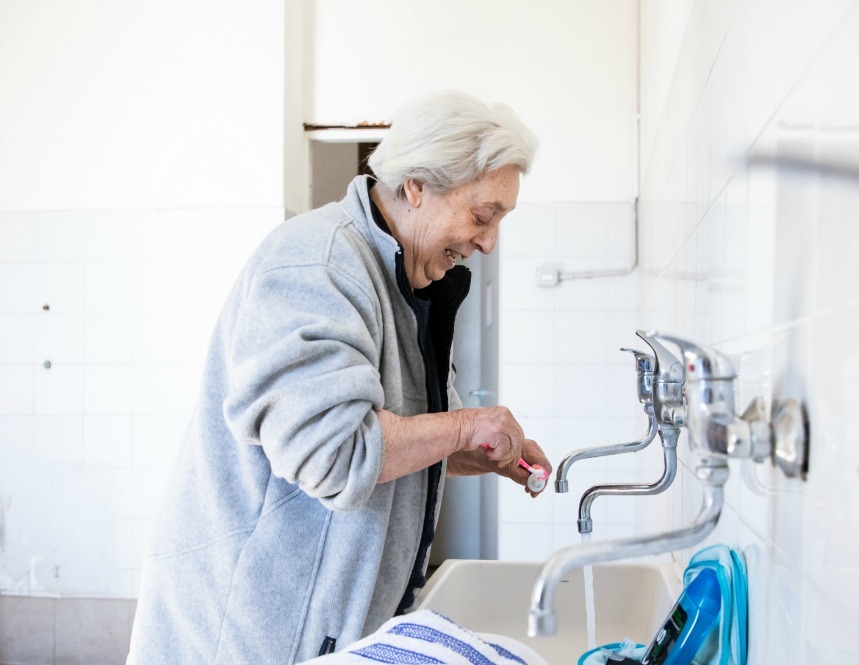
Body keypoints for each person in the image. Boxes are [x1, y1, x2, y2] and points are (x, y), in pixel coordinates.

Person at [127, 90, 549, 664]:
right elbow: (338, 454)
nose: (488, 241)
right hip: (249, 634)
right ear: (416, 186)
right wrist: (464, 426)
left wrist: (483, 450)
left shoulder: (402, 281)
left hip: (316, 628)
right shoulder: (317, 264)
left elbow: (399, 438)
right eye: (482, 215)